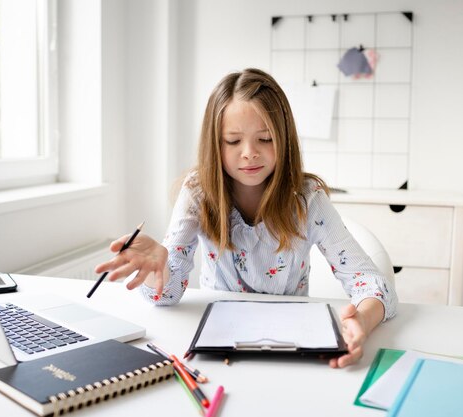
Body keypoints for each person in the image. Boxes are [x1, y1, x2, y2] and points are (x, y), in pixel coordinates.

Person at [94, 68, 397, 368]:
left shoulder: (307, 198)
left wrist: (363, 320)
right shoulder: (198, 192)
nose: (249, 153)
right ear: (215, 144)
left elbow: (373, 285)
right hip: (218, 346)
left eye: (265, 138)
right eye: (233, 141)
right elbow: (168, 295)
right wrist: (155, 270)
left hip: (290, 347)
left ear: (284, 138)